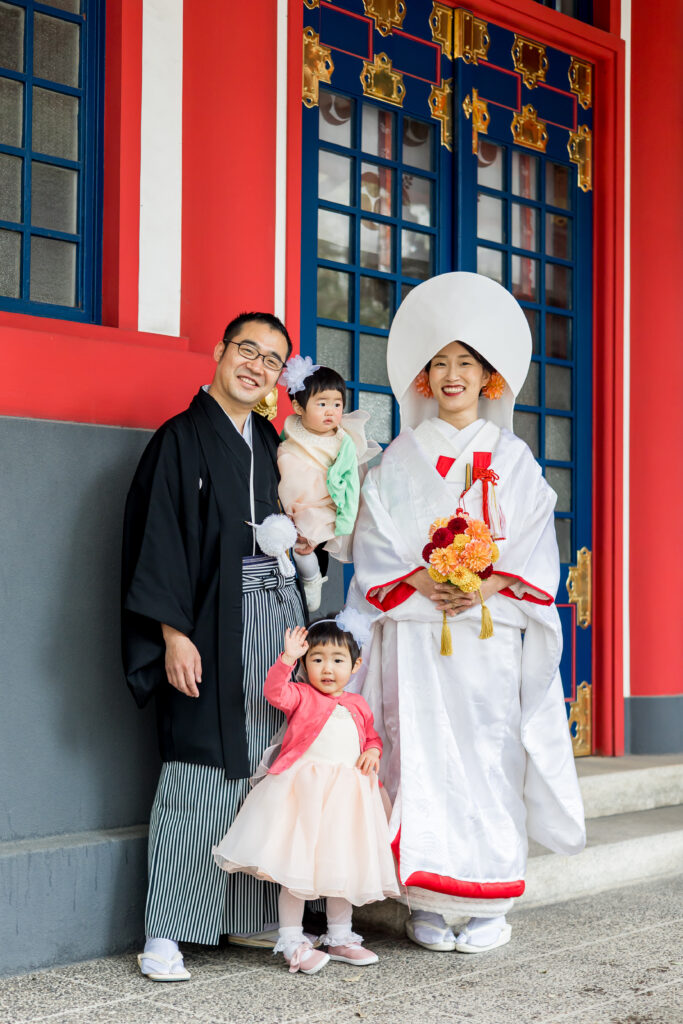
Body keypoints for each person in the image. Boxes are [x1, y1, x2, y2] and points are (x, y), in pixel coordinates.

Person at [347, 273, 586, 955]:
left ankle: (488, 900)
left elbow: (536, 540)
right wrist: (424, 576)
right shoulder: (398, 456)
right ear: (423, 378)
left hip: (487, 635)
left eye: (466, 363)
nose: (452, 375)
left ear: (487, 378)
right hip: (418, 635)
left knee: (489, 756)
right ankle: (425, 899)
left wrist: (486, 586)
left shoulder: (513, 458)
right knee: (416, 757)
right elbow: (375, 536)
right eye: (441, 363)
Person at [122, 312, 322, 981]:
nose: (258, 366)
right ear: (219, 352)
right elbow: (158, 541)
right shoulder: (178, 439)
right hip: (204, 624)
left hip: (268, 622)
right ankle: (166, 931)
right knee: (199, 768)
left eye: (272, 360)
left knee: (264, 761)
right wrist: (172, 633)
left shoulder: (267, 441)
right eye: (248, 350)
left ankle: (245, 915)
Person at [212, 615, 400, 975]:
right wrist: (286, 659)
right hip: (304, 797)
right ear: (305, 664)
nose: (327, 668)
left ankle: (341, 936)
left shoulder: (358, 704)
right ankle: (292, 940)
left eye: (337, 660)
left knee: (343, 866)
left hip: (348, 801)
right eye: (316, 659)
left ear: (355, 665)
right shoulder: (301, 695)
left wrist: (373, 752)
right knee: (297, 868)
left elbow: (371, 737)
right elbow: (274, 692)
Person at [277, 356, 380, 611]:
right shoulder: (291, 429)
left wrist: (345, 520)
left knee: (307, 545)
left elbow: (351, 481)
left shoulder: (344, 441)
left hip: (323, 503)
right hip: (288, 499)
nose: (331, 411)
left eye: (337, 404)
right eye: (322, 403)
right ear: (299, 408)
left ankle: (313, 580)